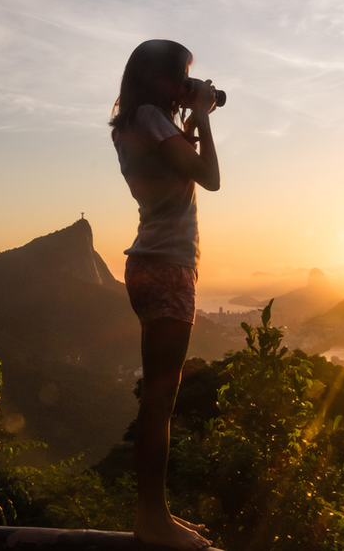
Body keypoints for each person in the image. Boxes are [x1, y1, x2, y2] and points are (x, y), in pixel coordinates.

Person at [110, 40, 220, 550]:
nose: (186, 87)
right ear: (160, 80)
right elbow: (210, 177)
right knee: (161, 401)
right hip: (169, 267)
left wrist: (193, 121)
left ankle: (155, 514)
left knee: (159, 397)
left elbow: (180, 167)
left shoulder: (139, 121)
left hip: (148, 265)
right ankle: (152, 519)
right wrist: (202, 116)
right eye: (182, 78)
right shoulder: (154, 117)